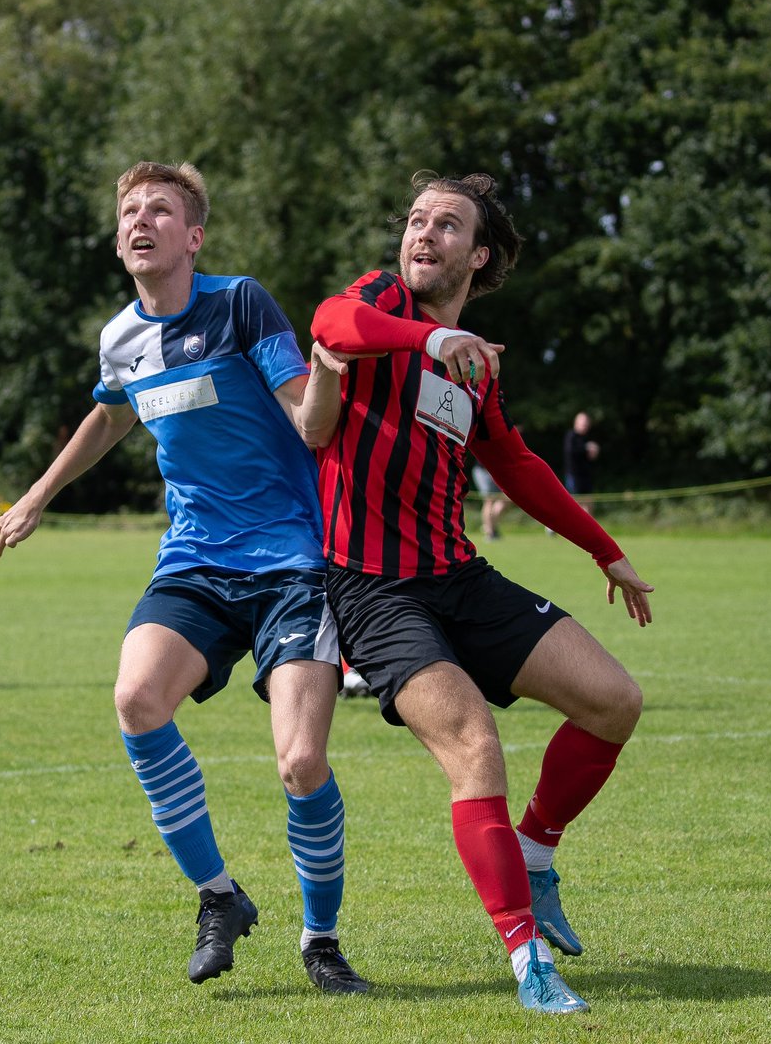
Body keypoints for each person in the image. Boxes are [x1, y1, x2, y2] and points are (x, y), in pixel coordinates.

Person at [0, 161, 367, 995]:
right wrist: (38, 496)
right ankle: (220, 897)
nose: (140, 221)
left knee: (301, 763)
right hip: (194, 560)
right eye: (129, 210)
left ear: (193, 237)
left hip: (292, 563)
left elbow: (308, 419)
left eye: (159, 209)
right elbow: (113, 410)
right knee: (135, 700)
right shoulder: (120, 335)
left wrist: (329, 381)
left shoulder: (239, 304)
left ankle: (322, 941)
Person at [308, 171, 654, 1015]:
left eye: (447, 225)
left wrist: (606, 552)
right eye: (417, 220)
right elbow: (330, 324)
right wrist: (425, 342)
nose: (423, 234)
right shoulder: (383, 303)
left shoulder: (476, 368)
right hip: (374, 590)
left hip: (459, 576)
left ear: (480, 253)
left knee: (614, 700)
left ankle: (535, 859)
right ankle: (526, 959)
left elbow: (519, 467)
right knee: (475, 745)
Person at [563, 411, 599, 512]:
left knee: (589, 504)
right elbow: (571, 451)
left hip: (586, 477)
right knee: (575, 505)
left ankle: (588, 526)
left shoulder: (586, 438)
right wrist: (587, 448)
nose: (585, 425)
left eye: (586, 423)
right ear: (576, 423)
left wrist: (592, 453)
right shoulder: (571, 436)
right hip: (574, 476)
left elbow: (590, 459)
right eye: (583, 423)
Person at [470, 460, 509, 540]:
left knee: (506, 499)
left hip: (498, 470)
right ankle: (490, 532)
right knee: (489, 501)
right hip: (483, 470)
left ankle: (490, 526)